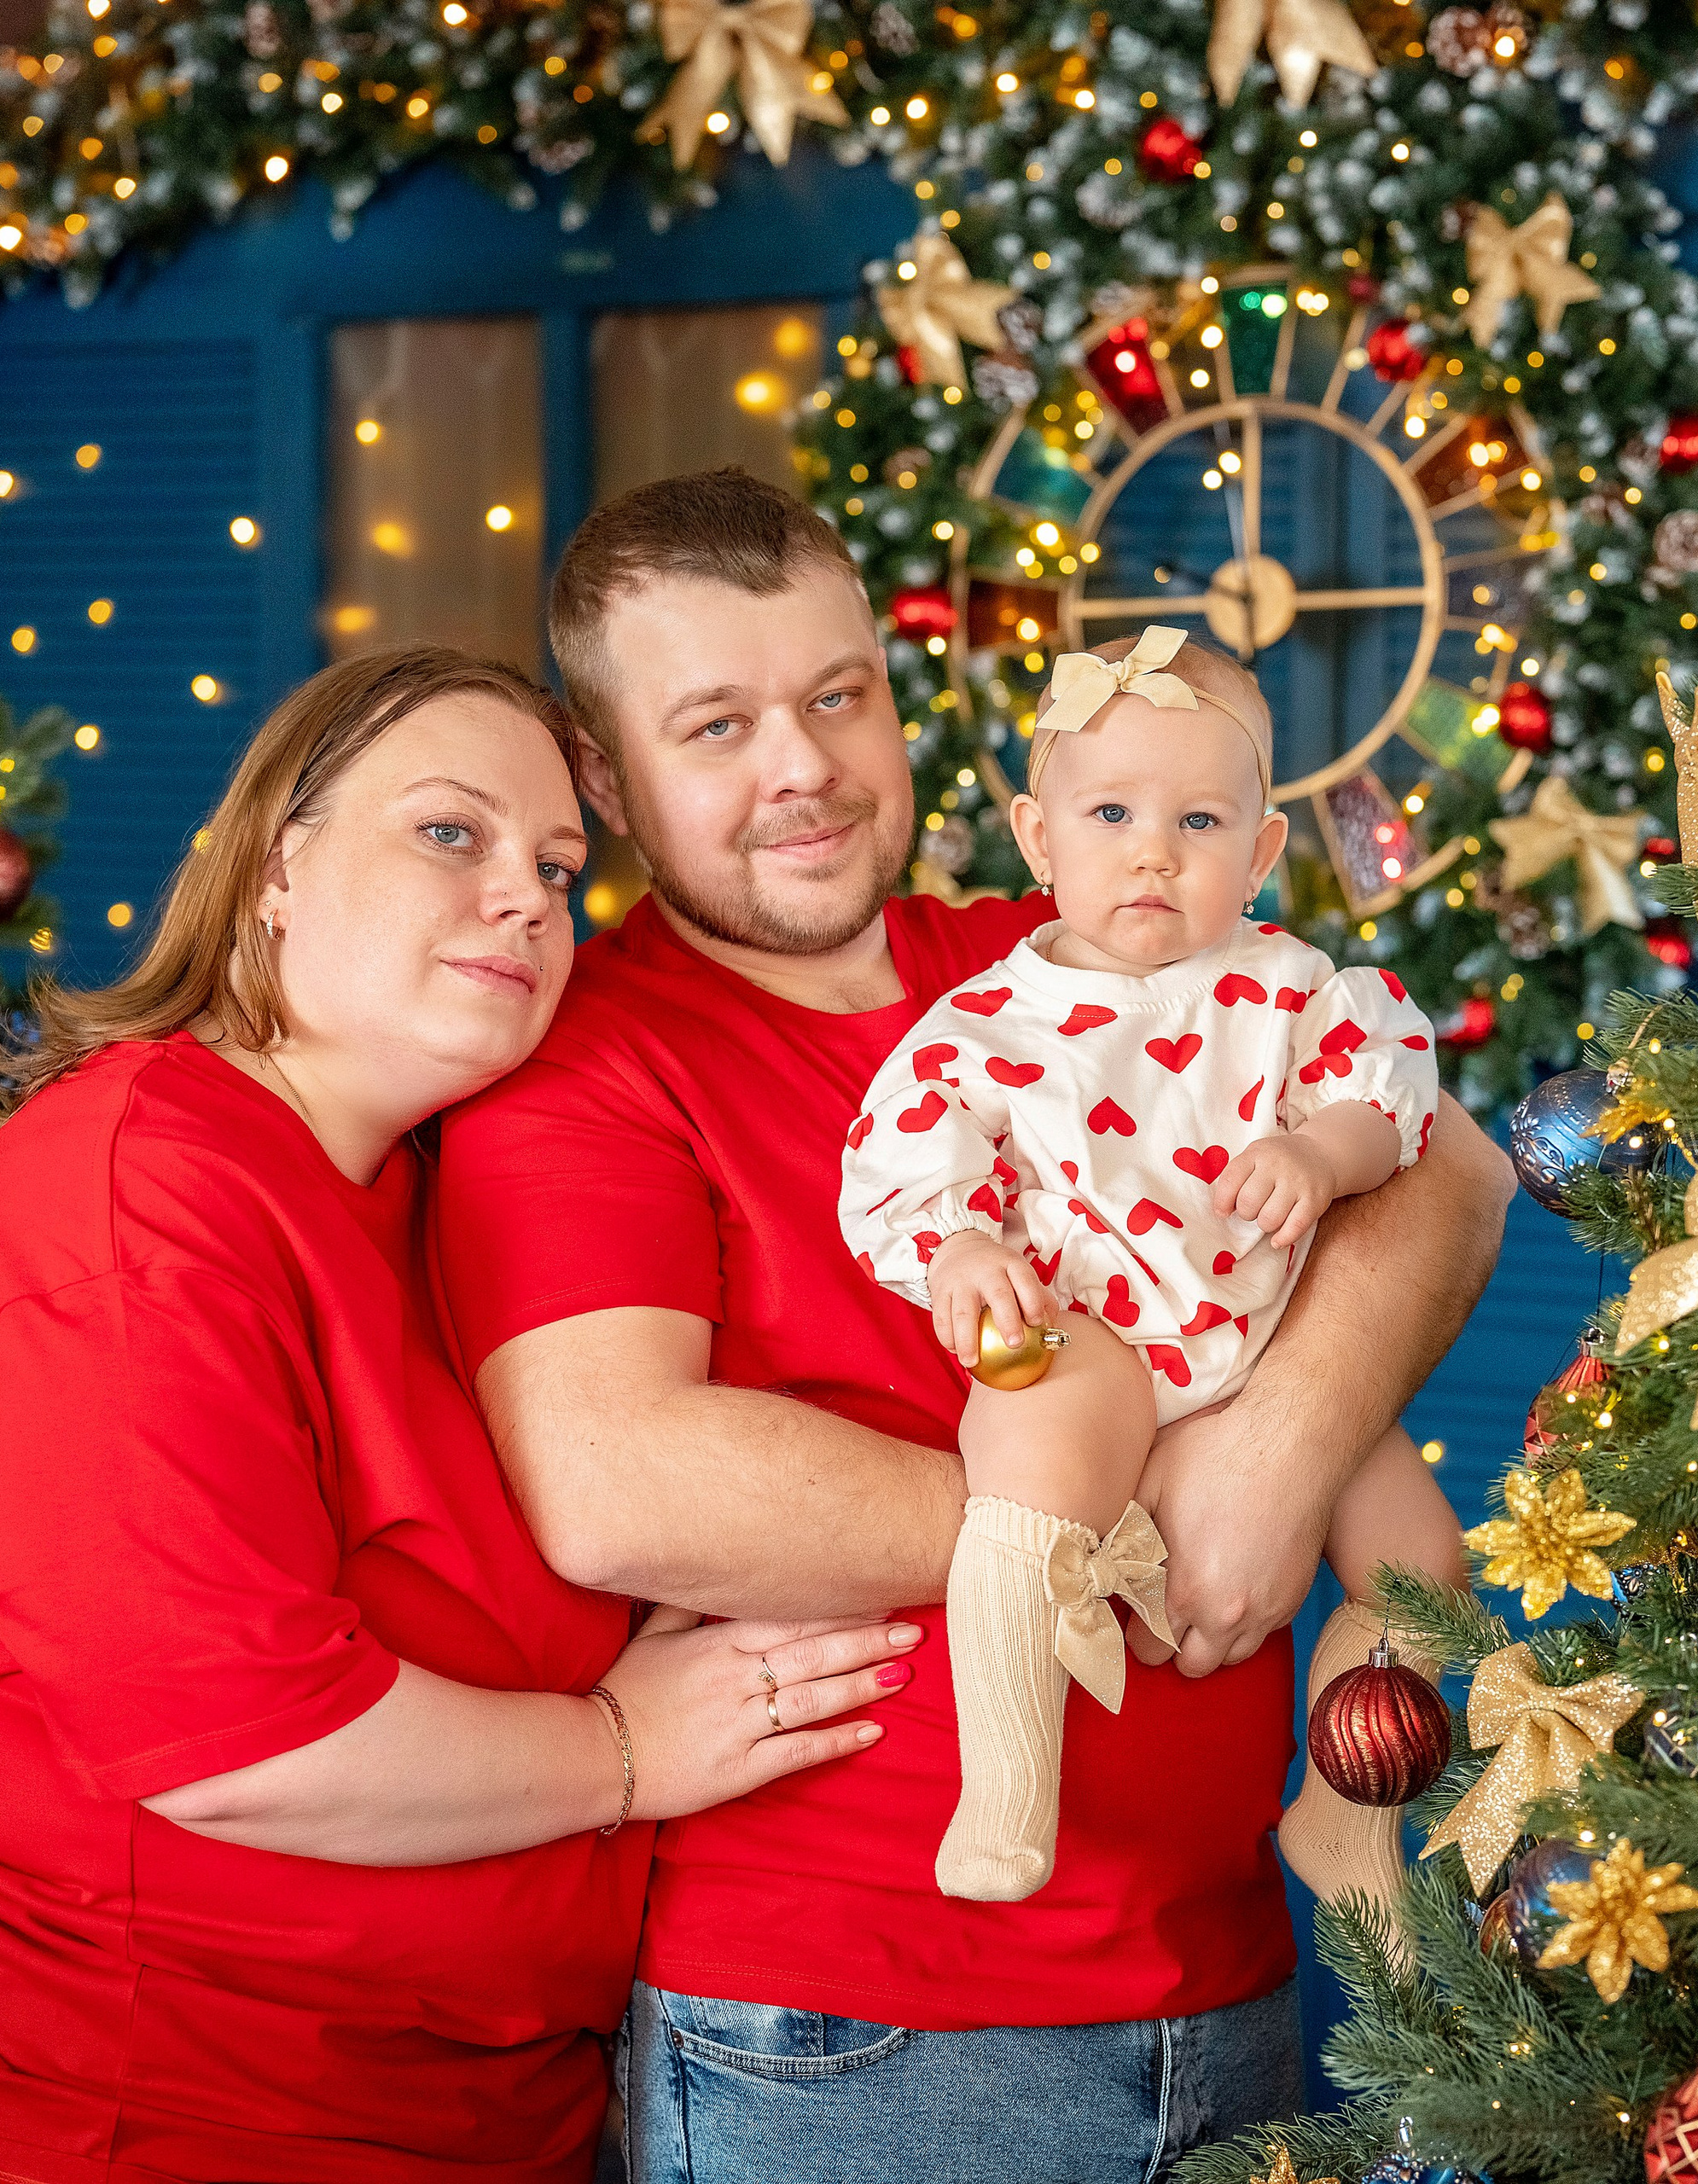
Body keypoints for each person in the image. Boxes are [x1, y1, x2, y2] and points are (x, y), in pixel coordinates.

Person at [435, 470, 1515, 2184]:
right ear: (605, 777)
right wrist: (1120, 1513)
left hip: (1231, 1973)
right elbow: (618, 1481)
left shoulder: (1070, 943)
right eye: (716, 725)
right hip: (849, 2037)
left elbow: (1446, 1166)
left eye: (836, 695)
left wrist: (1278, 1445)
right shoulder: (588, 1071)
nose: (801, 765)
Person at [0, 645, 916, 2184]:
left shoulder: (447, 1189)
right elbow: (236, 1741)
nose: (530, 901)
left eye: (558, 867)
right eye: (450, 833)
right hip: (196, 2116)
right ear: (275, 867)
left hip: (505, 2117)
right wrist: (625, 1750)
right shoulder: (129, 1194)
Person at [839, 624, 1467, 1908]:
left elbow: (1388, 1097)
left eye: (1200, 822)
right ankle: (1008, 1778)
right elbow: (909, 1147)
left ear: (1263, 852)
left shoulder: (1292, 989)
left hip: (1269, 1341)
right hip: (1086, 1326)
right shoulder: (985, 1024)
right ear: (1037, 838)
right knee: (1034, 1417)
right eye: (1112, 813)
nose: (1153, 853)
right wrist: (961, 1243)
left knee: (1425, 1565)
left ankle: (1347, 1819)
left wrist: (1321, 1151)